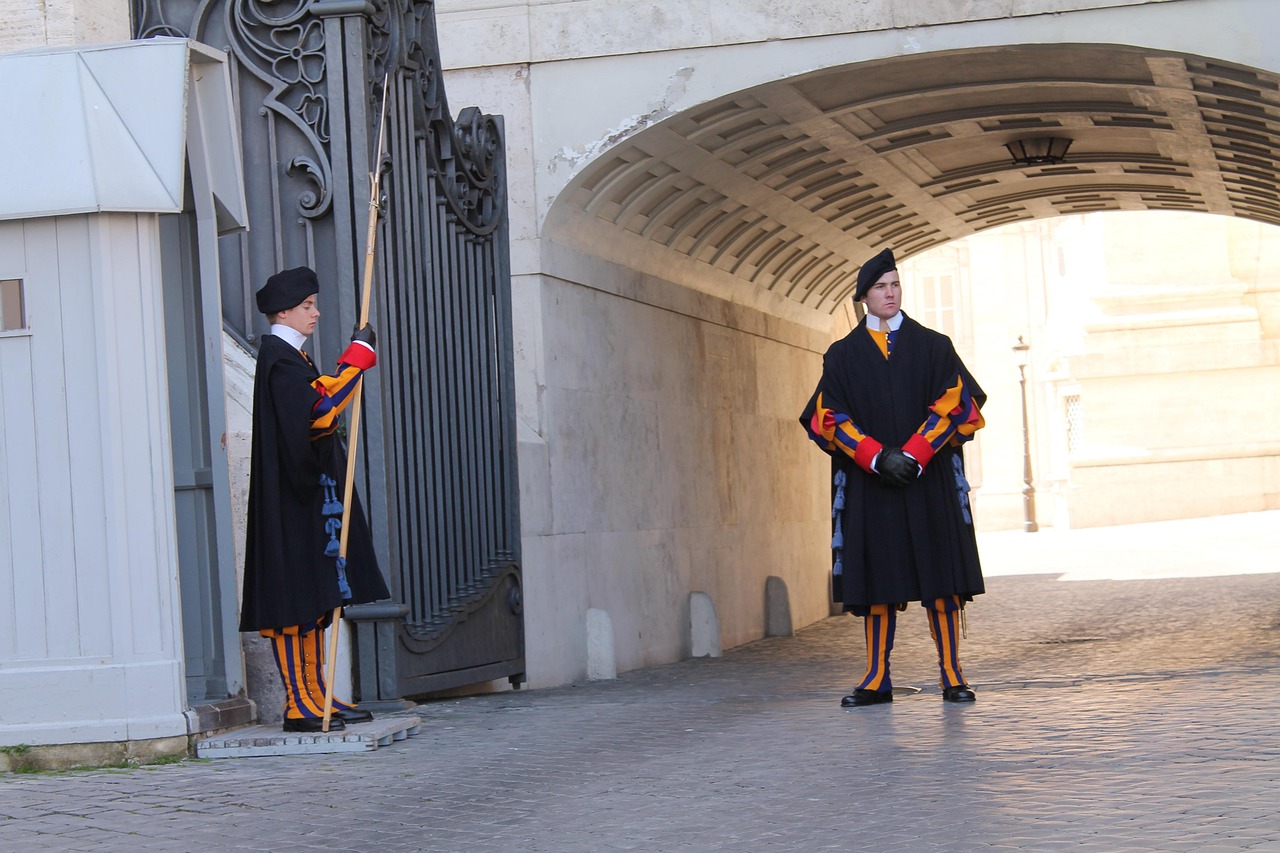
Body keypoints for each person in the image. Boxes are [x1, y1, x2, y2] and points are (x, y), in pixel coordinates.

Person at [800, 248, 987, 707]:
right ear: (863, 297)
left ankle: (952, 675)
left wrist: (915, 453)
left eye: (895, 285)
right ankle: (876, 678)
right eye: (881, 287)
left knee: (941, 582)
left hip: (929, 482)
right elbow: (827, 416)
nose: (890, 293)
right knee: (879, 581)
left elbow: (959, 405)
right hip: (873, 485)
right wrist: (878, 457)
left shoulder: (934, 346)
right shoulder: (842, 356)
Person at [240, 266, 390, 732]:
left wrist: (348, 365)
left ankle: (317, 694)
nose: (316, 313)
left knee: (316, 597)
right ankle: (299, 702)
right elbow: (320, 413)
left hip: (310, 494)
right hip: (291, 497)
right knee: (293, 600)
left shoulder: (294, 360)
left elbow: (318, 400)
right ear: (283, 310)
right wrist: (357, 358)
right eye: (308, 306)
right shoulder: (278, 359)